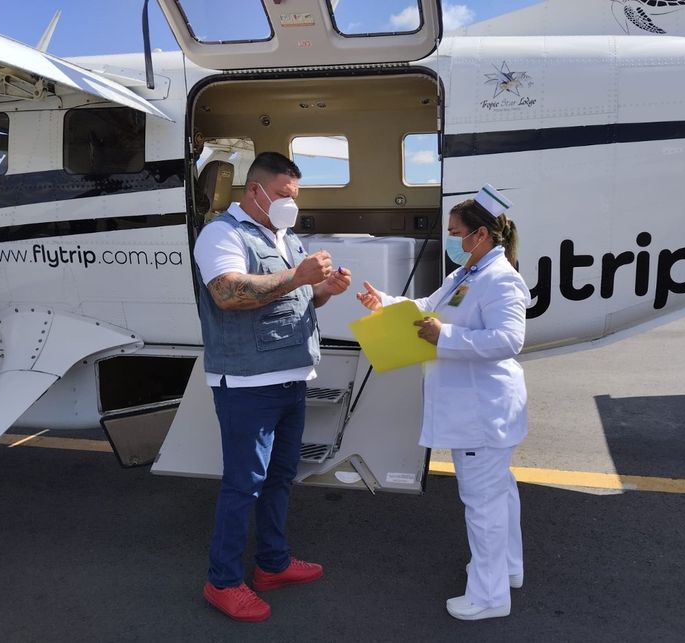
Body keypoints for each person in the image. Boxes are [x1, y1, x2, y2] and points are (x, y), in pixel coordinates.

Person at [357, 184, 529, 621]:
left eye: (455, 232)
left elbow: (510, 340)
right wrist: (384, 304)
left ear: (480, 234)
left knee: (483, 503)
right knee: (498, 493)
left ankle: (488, 596)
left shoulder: (500, 279)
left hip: (481, 412)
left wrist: (445, 336)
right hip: (475, 407)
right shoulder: (466, 274)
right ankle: (507, 570)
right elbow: (426, 308)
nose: (450, 239)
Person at [193, 152, 352, 622]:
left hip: (291, 377)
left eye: (295, 196)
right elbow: (228, 294)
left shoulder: (286, 237)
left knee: (280, 478)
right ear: (254, 190)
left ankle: (273, 564)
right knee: (244, 485)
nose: (290, 204)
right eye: (283, 194)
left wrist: (323, 290)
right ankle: (223, 582)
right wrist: (299, 274)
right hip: (248, 384)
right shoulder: (221, 234)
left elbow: (297, 295)